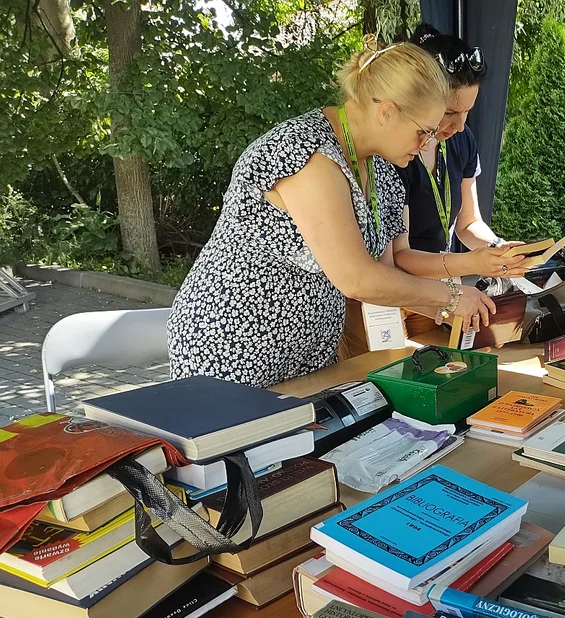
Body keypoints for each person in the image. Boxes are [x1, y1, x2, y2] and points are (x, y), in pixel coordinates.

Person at [167, 38, 496, 388]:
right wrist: (451, 296)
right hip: (232, 348)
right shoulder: (305, 151)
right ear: (387, 112)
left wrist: (441, 310)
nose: (428, 143)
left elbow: (386, 273)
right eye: (422, 132)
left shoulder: (381, 171)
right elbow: (356, 278)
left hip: (307, 360)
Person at [387, 24, 527, 337]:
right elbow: (400, 257)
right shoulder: (396, 153)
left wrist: (496, 250)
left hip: (445, 297)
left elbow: (468, 223)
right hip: (399, 300)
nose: (460, 126)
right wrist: (472, 263)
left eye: (467, 113)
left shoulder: (463, 141)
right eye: (450, 112)